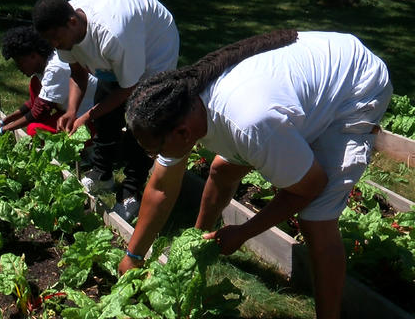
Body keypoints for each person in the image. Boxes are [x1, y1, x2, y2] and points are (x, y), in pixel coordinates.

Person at [119, 30, 393, 319]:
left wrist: (243, 233)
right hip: (316, 71)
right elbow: (161, 188)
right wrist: (134, 256)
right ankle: (201, 240)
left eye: (154, 151)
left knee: (316, 217)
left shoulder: (248, 122)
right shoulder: (185, 103)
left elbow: (311, 186)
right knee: (221, 171)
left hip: (355, 87)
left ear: (183, 133)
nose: (154, 158)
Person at [32, 0, 180, 221]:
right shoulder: (63, 29)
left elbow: (128, 88)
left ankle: (131, 191)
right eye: (50, 40)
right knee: (104, 106)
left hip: (154, 49)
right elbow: (78, 73)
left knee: (140, 122)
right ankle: (103, 173)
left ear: (72, 22)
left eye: (56, 39)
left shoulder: (113, 34)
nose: (55, 45)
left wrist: (86, 116)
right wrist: (72, 110)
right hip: (123, 54)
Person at [0, 26, 97, 137]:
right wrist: (4, 121)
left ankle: (88, 146)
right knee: (35, 84)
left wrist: (3, 130)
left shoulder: (55, 69)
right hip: (69, 113)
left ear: (33, 56)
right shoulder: (42, 70)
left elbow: (38, 111)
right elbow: (34, 103)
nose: (19, 68)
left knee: (35, 130)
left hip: (88, 118)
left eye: (20, 62)